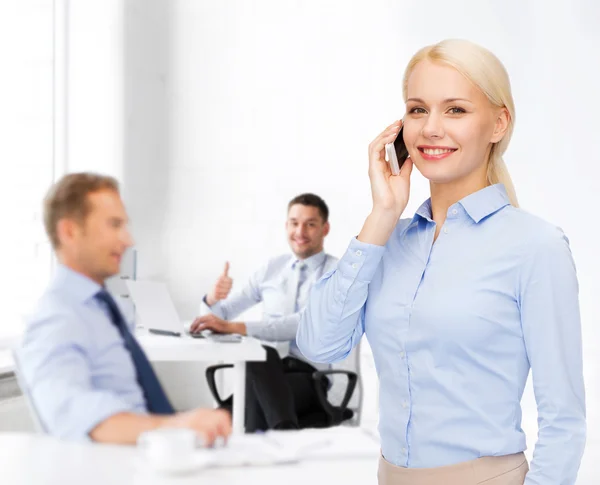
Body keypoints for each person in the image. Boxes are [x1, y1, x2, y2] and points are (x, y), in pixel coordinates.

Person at [296, 39, 586, 485]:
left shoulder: (535, 246)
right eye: (417, 109)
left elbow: (563, 421)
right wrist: (382, 215)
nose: (431, 128)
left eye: (455, 110)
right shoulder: (386, 243)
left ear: (498, 123)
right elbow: (318, 344)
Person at [16, 173, 231, 445]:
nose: (128, 240)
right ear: (69, 231)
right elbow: (79, 416)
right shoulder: (56, 318)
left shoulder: (104, 308)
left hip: (151, 458)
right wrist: (179, 425)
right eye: (114, 225)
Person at [190, 193, 338, 431]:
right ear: (286, 225)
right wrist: (212, 298)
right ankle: (283, 435)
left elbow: (305, 323)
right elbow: (222, 315)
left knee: (238, 405)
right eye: (294, 223)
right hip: (262, 373)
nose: (300, 232)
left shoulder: (336, 273)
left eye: (310, 224)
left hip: (308, 377)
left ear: (325, 228)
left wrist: (237, 328)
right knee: (258, 362)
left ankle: (270, 439)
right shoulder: (272, 268)